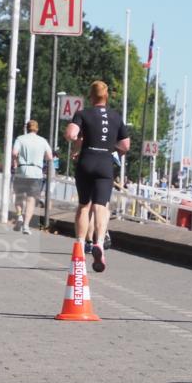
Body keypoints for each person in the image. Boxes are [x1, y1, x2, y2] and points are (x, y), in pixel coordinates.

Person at [64, 80, 129, 272]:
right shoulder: (116, 117)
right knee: (101, 206)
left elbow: (71, 134)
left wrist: (79, 141)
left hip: (87, 160)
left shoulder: (83, 114)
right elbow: (125, 146)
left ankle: (80, 247)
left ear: (91, 97)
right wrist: (111, 147)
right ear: (106, 96)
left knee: (84, 205)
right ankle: (99, 242)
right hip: (105, 162)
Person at [12, 120, 53, 234]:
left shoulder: (20, 139)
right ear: (37, 129)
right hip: (36, 173)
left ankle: (19, 216)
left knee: (19, 197)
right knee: (31, 200)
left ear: (27, 128)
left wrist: (15, 162)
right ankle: (26, 225)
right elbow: (50, 157)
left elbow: (14, 153)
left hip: (22, 170)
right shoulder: (43, 141)